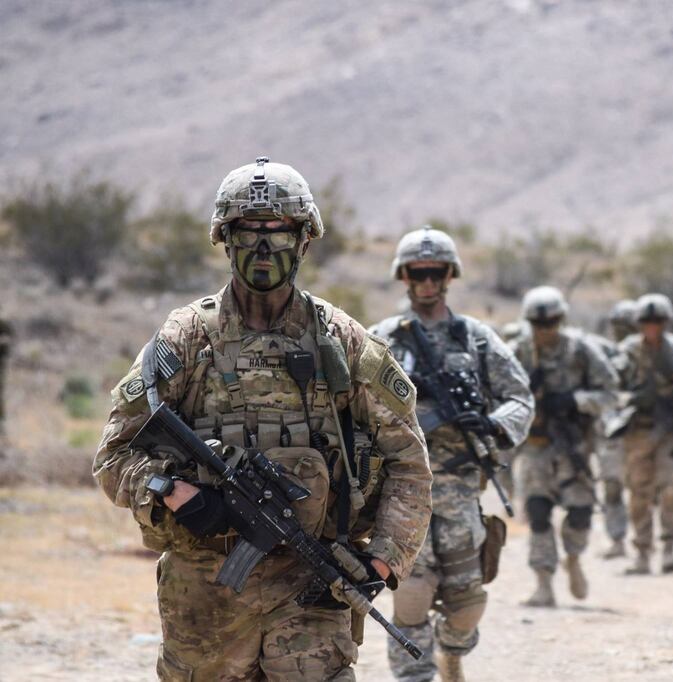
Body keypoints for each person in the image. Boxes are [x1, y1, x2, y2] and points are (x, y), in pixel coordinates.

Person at [94, 157, 432, 681]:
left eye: (279, 230)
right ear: (225, 238)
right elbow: (115, 456)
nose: (264, 244)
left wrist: (382, 561)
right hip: (205, 593)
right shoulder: (187, 337)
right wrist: (171, 491)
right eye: (249, 230)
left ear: (304, 239)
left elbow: (408, 461)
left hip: (313, 584)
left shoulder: (341, 342)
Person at [370, 225, 534, 682]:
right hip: (402, 494)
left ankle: (453, 653)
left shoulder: (476, 338)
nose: (426, 281)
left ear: (449, 275)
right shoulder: (380, 341)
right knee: (412, 595)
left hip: (461, 492)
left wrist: (494, 423)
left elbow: (520, 397)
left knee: (466, 605)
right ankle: (414, 676)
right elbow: (348, 406)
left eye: (435, 272)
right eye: (417, 272)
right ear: (403, 275)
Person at [509, 286, 617, 606]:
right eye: (539, 324)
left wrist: (574, 400)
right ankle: (543, 583)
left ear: (562, 320)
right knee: (538, 512)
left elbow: (611, 393)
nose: (546, 330)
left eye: (552, 322)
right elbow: (499, 398)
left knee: (581, 513)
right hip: (536, 446)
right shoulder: (517, 353)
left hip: (575, 444)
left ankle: (573, 556)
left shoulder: (581, 350)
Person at [614, 293, 673, 575]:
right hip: (638, 433)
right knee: (639, 493)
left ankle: (668, 549)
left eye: (658, 321)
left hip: (671, 433)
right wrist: (630, 399)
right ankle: (642, 552)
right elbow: (610, 387)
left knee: (669, 489)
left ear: (666, 323)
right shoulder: (627, 352)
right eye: (647, 322)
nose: (652, 326)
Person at [591, 299, 637, 559]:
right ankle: (618, 539)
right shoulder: (602, 354)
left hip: (641, 430)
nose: (621, 332)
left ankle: (645, 538)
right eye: (618, 326)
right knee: (612, 486)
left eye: (627, 326)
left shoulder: (647, 354)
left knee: (643, 488)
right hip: (610, 431)